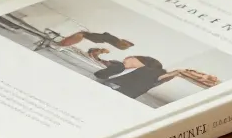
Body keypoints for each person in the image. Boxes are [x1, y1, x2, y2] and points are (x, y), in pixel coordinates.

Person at [92, 55, 220, 100]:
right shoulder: (150, 72)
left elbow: (177, 73)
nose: (125, 60)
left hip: (115, 90)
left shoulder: (150, 71)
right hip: (120, 92)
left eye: (128, 58)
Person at [55, 30, 134, 51]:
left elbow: (121, 45)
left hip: (99, 38)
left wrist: (126, 43)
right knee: (81, 34)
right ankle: (62, 43)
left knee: (81, 34)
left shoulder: (120, 44)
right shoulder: (119, 42)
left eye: (128, 42)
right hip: (99, 38)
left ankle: (63, 44)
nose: (127, 41)